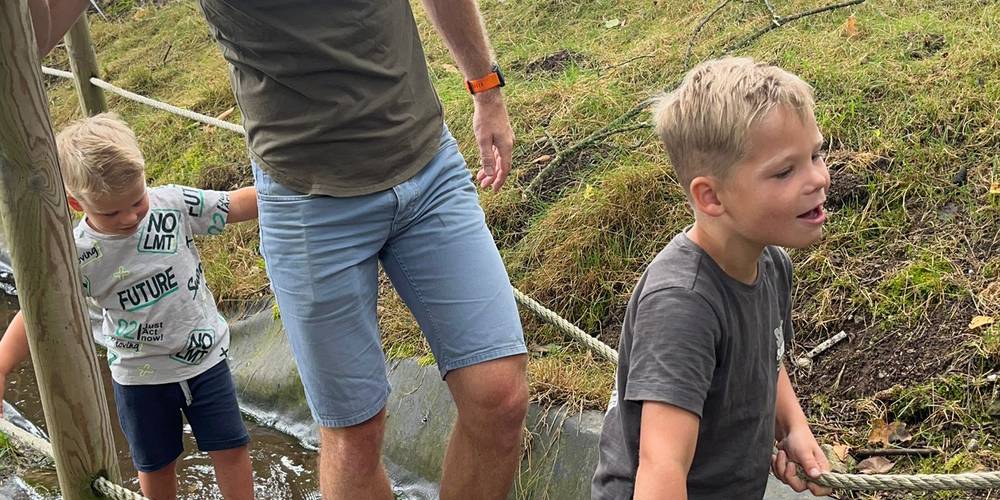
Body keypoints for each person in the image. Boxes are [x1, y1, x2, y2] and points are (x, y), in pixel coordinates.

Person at [29, 2, 529, 499]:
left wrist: (486, 87)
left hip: (427, 165)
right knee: (355, 435)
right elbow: (31, 30)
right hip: (308, 199)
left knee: (499, 398)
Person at [591, 57, 834, 499]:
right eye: (785, 171)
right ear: (711, 196)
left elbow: (767, 356)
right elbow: (662, 466)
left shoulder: (771, 264)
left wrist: (792, 426)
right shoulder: (682, 306)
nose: (818, 178)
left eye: (817, 154)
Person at [0, 113, 259, 500]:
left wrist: (290, 189)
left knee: (231, 447)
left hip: (205, 360)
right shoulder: (77, 254)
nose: (129, 218)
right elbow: (39, 312)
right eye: (110, 212)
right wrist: (3, 364)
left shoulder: (172, 204)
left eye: (137, 201)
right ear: (76, 202)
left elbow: (234, 205)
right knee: (155, 463)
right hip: (139, 376)